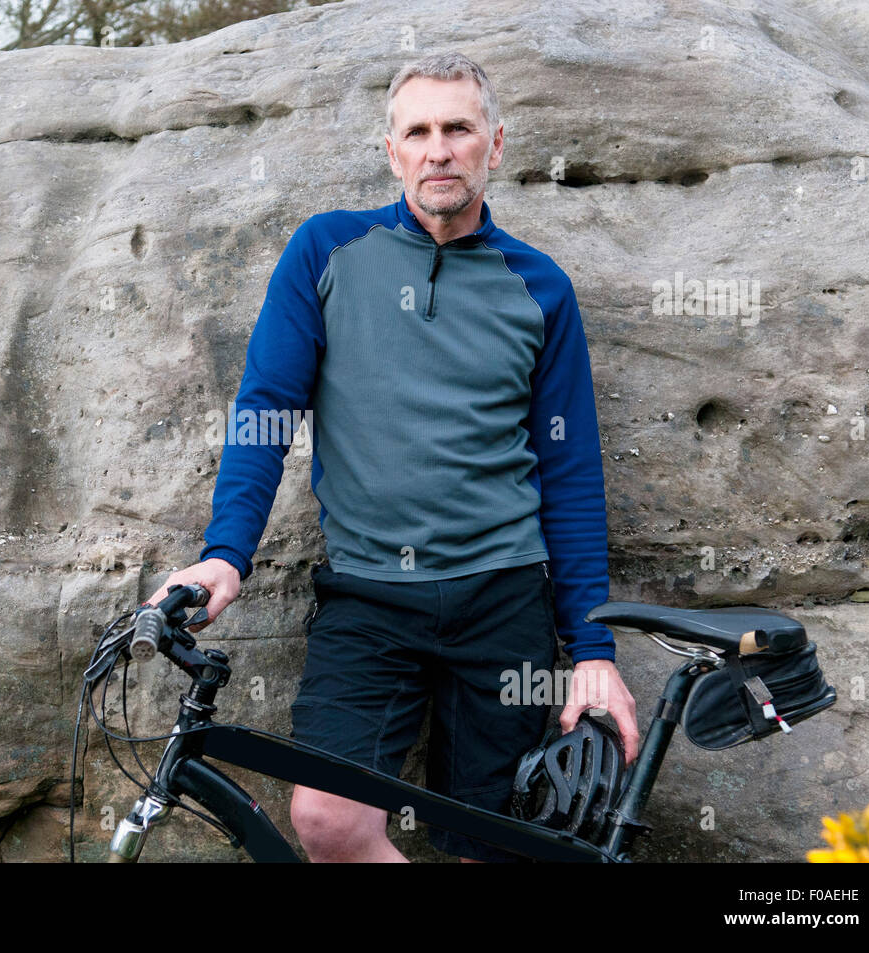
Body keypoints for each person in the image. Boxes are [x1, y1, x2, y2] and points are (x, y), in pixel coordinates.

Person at [144, 51, 639, 862]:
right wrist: (226, 554)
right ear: (393, 151)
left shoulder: (540, 285)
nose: (438, 149)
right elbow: (268, 408)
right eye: (419, 131)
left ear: (496, 145)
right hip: (369, 600)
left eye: (459, 129)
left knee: (496, 842)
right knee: (330, 823)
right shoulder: (327, 251)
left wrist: (591, 650)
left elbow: (572, 471)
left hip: (504, 601)